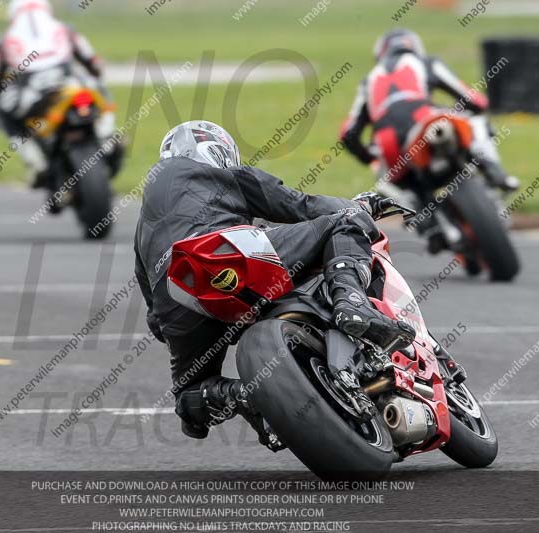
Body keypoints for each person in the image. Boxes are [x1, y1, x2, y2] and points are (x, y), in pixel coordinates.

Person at [134, 120, 415, 443]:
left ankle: (240, 395)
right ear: (217, 150)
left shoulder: (144, 226)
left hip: (176, 295)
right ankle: (351, 304)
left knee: (188, 394)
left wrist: (184, 326)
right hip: (229, 253)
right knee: (344, 223)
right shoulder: (226, 174)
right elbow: (300, 206)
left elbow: (155, 320)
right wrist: (359, 207)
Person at [339, 29, 518, 244]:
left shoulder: (369, 80)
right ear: (416, 47)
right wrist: (473, 107)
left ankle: (428, 224)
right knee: (476, 122)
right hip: (426, 121)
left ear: (381, 54)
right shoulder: (427, 62)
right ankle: (494, 172)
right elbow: (474, 100)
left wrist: (368, 157)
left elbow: (349, 133)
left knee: (387, 180)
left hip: (389, 143)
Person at [0, 0, 113, 188]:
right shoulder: (65, 29)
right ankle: (107, 136)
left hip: (31, 95)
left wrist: (1, 89)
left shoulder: (3, 40)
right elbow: (93, 62)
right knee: (98, 88)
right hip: (70, 84)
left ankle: (36, 163)